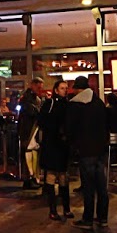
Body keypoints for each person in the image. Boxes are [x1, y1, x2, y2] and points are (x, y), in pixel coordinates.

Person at [66, 76, 108, 230]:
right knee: (101, 185)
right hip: (100, 149)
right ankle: (103, 217)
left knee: (88, 186)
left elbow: (70, 128)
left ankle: (88, 219)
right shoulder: (99, 103)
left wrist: (73, 144)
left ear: (77, 89)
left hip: (85, 149)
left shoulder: (75, 105)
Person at [36, 79, 73, 221]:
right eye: (62, 88)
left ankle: (65, 208)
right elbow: (42, 122)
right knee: (52, 175)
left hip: (59, 145)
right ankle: (54, 210)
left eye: (66, 88)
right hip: (52, 144)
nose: (65, 90)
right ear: (56, 90)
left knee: (63, 176)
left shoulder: (67, 105)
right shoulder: (50, 104)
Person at [17, 77, 46, 190]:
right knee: (29, 153)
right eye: (38, 87)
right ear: (33, 85)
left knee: (32, 153)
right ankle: (29, 178)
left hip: (31, 129)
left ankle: (32, 177)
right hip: (29, 129)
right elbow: (31, 111)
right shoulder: (28, 98)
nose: (39, 89)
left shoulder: (31, 98)